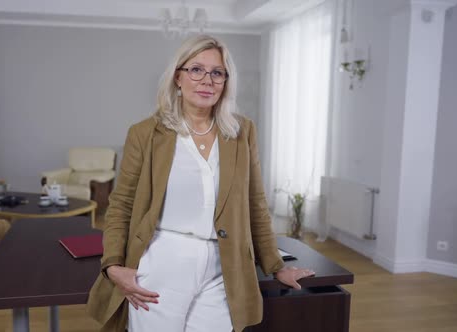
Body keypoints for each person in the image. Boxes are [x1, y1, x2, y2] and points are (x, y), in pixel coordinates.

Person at [87, 35, 315, 332]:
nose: (207, 80)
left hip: (225, 266)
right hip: (162, 261)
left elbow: (254, 204)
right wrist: (114, 264)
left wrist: (275, 265)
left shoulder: (241, 131)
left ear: (225, 82)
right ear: (178, 77)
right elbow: (121, 205)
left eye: (217, 72)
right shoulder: (146, 133)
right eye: (196, 69)